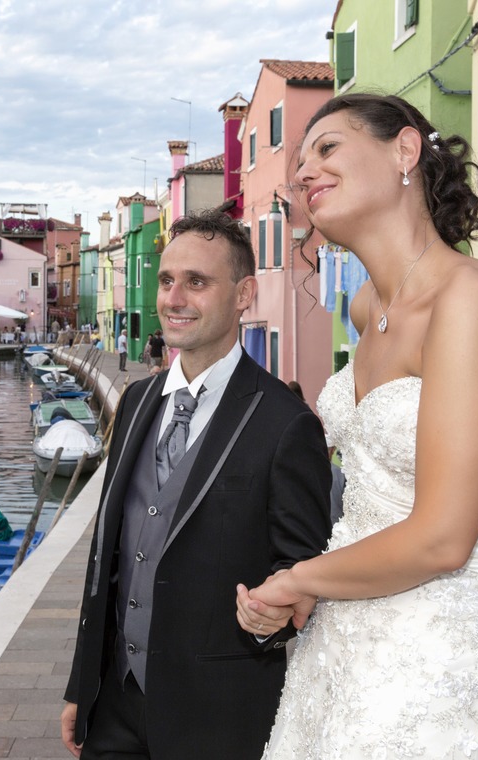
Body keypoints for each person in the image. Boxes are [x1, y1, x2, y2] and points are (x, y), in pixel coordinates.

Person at [237, 93, 478, 758]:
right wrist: (311, 589)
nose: (304, 173)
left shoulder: (472, 297)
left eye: (327, 148)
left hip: (431, 662)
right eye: (300, 163)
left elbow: (443, 539)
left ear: (405, 151)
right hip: (339, 648)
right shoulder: (364, 308)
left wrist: (298, 579)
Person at [61, 209, 332, 759]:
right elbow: (107, 558)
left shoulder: (287, 424)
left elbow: (302, 568)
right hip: (114, 706)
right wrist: (81, 685)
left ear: (244, 294)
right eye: (166, 280)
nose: (174, 298)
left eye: (197, 282)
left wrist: (272, 619)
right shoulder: (136, 402)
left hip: (217, 720)